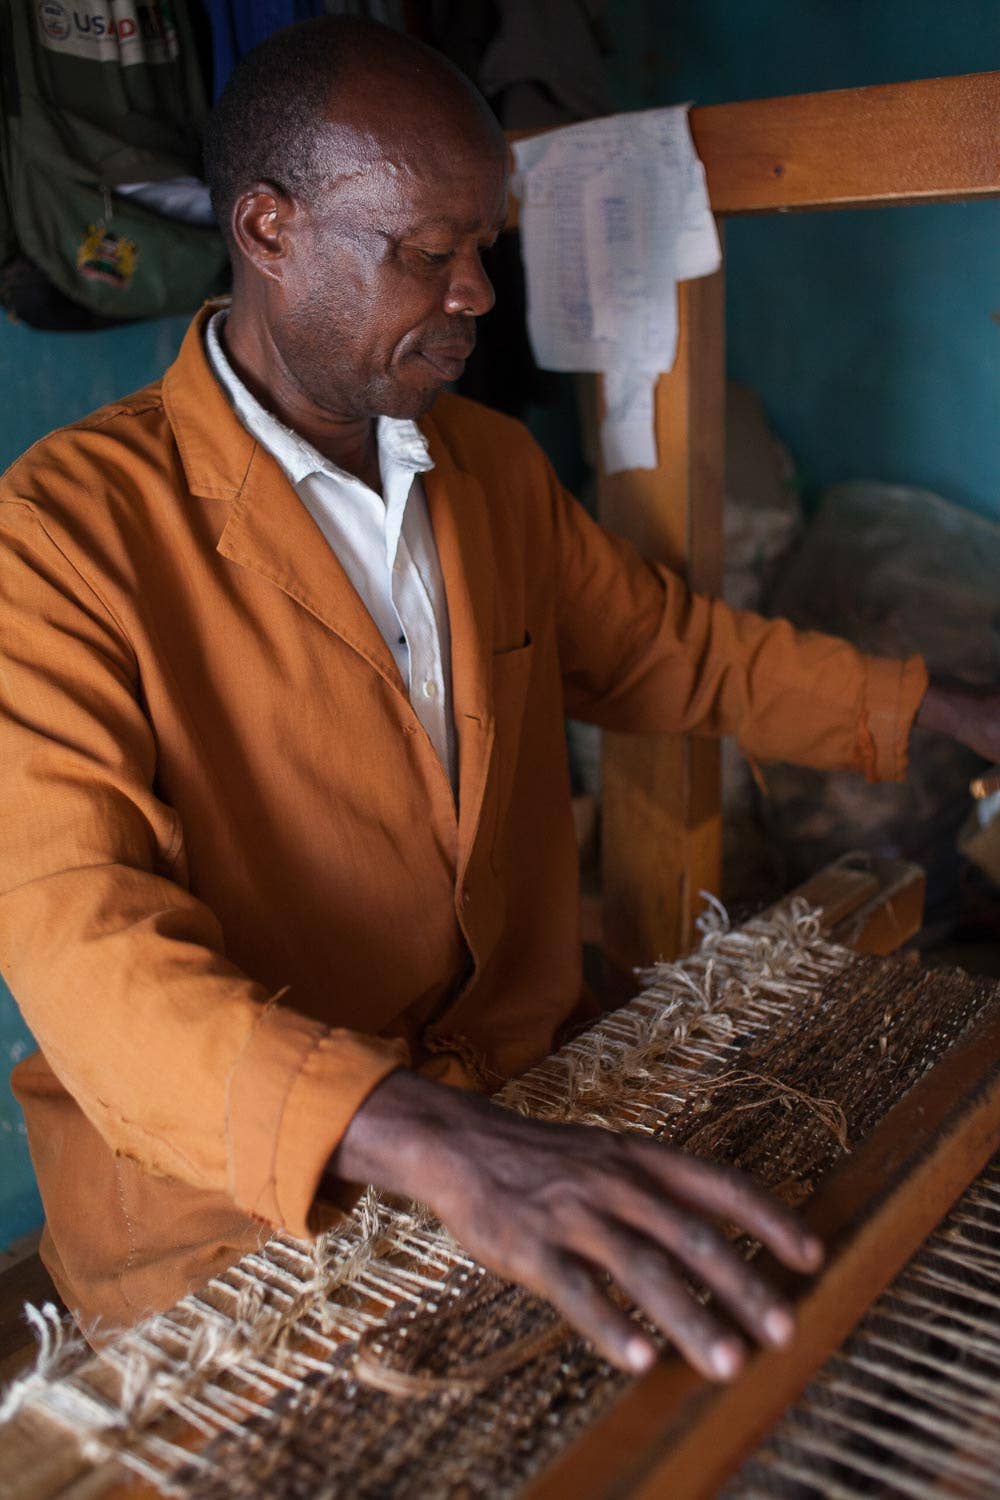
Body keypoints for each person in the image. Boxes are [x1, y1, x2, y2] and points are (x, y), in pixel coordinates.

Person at [2, 17, 996, 1383]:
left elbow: (671, 653)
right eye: (427, 252)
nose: (475, 292)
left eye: (485, 245)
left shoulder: (486, 468)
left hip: (513, 1093)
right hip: (234, 1219)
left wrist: (946, 705)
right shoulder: (63, 537)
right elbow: (81, 943)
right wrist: (435, 1143)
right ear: (270, 229)